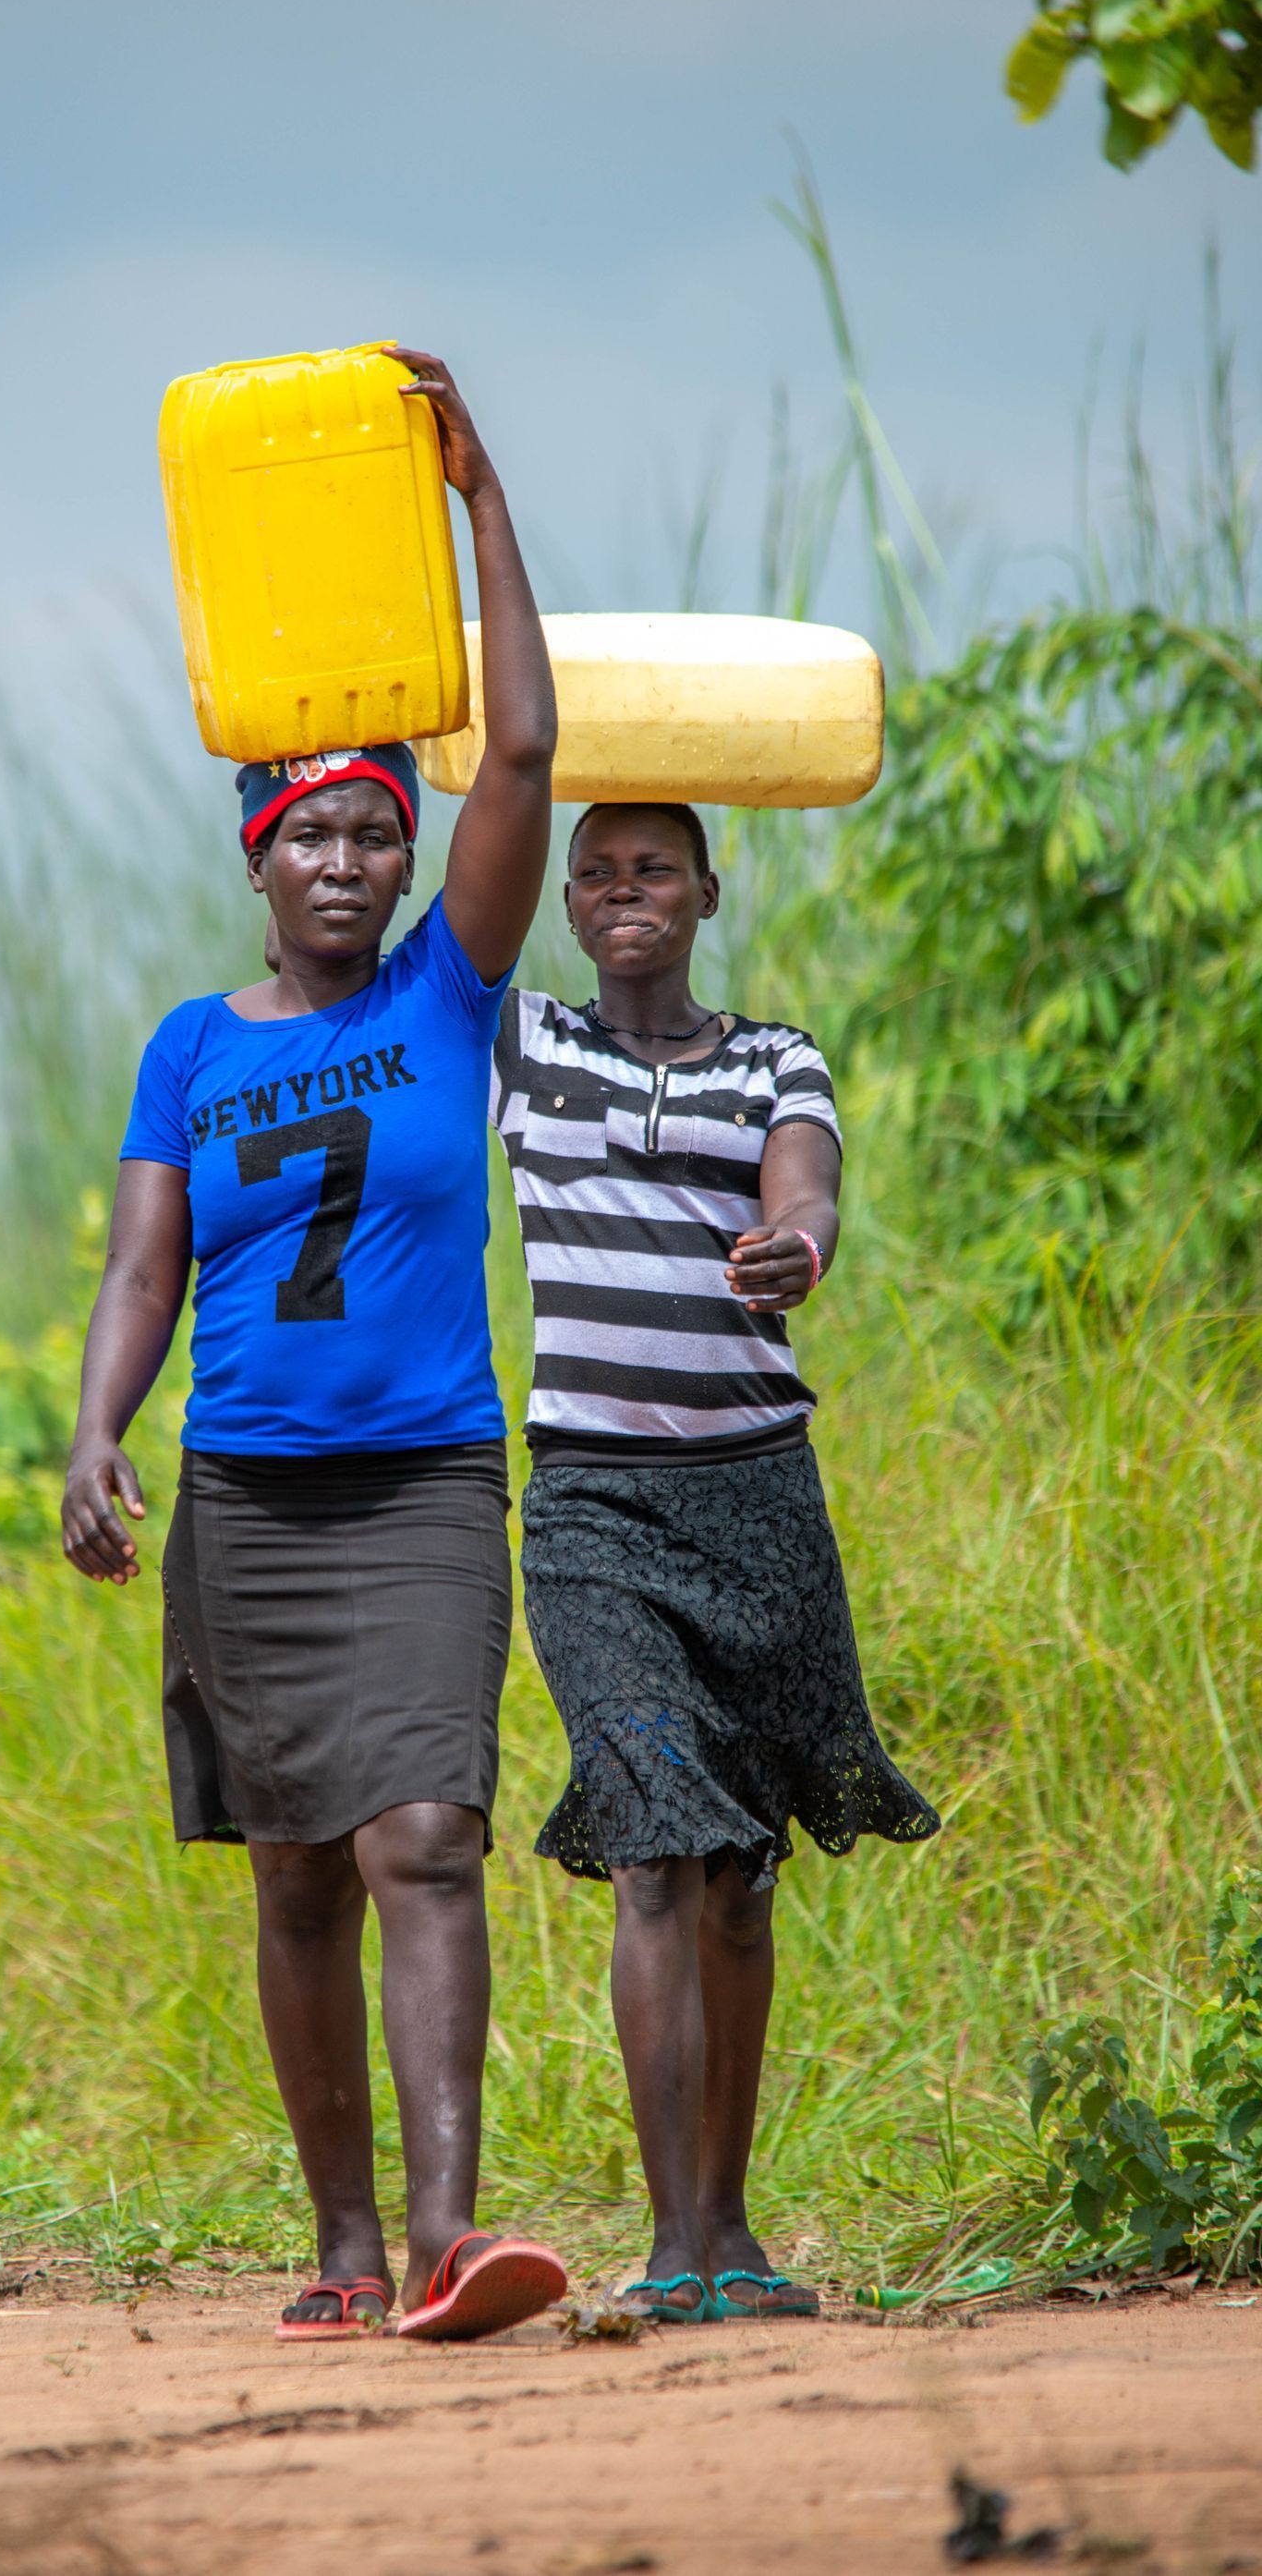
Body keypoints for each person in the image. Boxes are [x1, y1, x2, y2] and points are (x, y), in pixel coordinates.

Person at [62, 349, 567, 2344]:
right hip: (250, 1496)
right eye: (317, 837)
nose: (354, 862)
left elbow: (517, 757)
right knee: (298, 1880)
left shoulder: (454, 988)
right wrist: (96, 1431)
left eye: (376, 831)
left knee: (425, 1832)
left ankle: (452, 2240)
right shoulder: (193, 1046)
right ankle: (345, 2241)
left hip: (428, 1478)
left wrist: (480, 497)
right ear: (258, 858)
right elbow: (140, 1272)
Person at [490, 799, 940, 2322]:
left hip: (761, 1505)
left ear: (708, 892)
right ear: (566, 899)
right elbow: (475, 858)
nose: (628, 895)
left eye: (656, 871)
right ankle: (674, 2241)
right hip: (594, 1512)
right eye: (600, 874)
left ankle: (732, 2226)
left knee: (743, 1877)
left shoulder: (772, 1057)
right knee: (655, 1841)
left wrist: (794, 1246)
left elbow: (807, 1183)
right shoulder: (523, 1045)